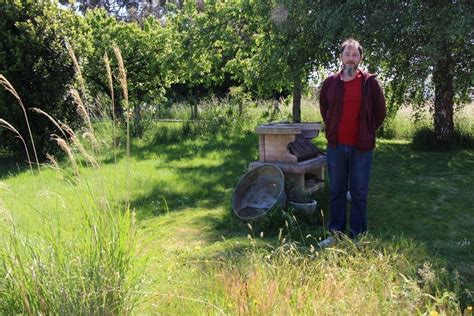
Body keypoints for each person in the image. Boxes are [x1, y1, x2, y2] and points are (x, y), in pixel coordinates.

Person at [318, 38, 386, 243]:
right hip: (336, 147)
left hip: (361, 148)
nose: (350, 58)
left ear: (360, 58)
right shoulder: (330, 82)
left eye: (355, 54)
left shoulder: (370, 83)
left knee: (359, 193)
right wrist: (332, 128)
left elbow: (380, 112)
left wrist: (366, 131)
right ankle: (336, 234)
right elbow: (324, 108)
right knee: (337, 191)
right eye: (347, 54)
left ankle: (358, 236)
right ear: (341, 57)